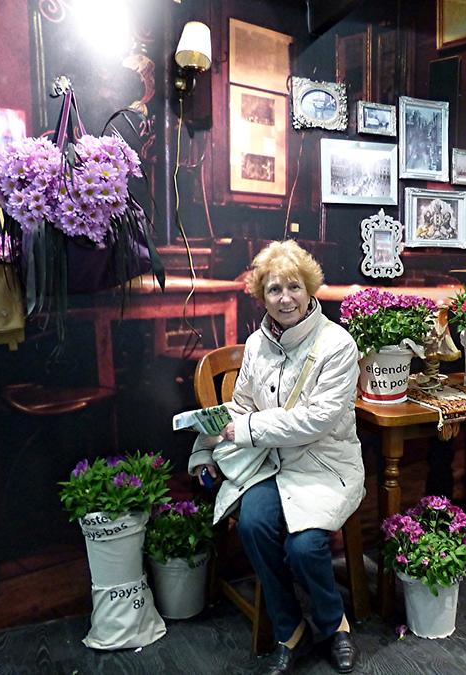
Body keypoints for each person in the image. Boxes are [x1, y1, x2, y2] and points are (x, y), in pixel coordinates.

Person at [189, 240, 363, 674]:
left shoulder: (338, 345)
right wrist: (202, 446)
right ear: (260, 295)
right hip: (270, 463)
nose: (285, 298)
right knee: (253, 524)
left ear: (310, 290)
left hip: (325, 464)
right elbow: (242, 405)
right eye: (273, 290)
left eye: (293, 287)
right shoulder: (255, 345)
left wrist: (244, 429)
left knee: (305, 547)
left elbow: (316, 421)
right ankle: (291, 630)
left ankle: (333, 624)